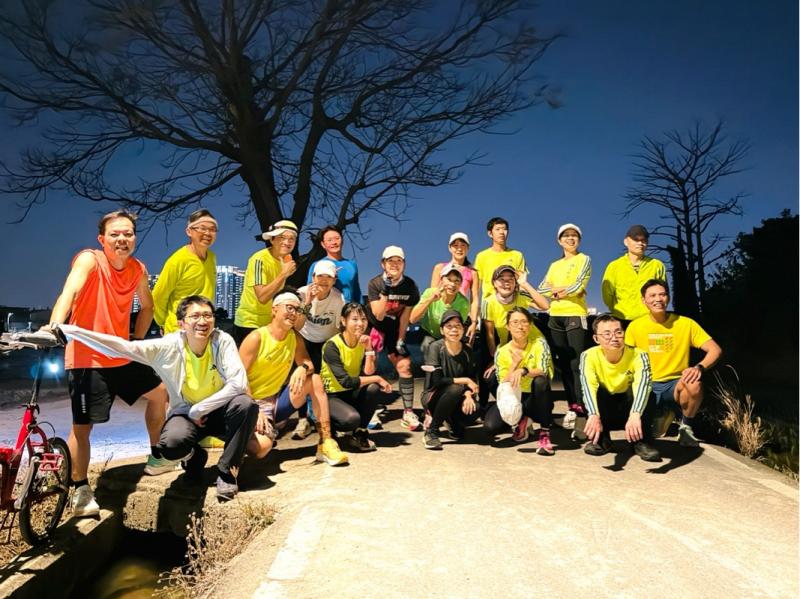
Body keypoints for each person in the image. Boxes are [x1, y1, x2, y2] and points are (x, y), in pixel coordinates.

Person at [56, 295, 259, 501]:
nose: (203, 321)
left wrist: (200, 409)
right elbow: (124, 348)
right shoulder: (169, 346)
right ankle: (194, 457)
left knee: (246, 405)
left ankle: (227, 472)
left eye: (208, 315)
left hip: (217, 412)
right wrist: (74, 332)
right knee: (170, 446)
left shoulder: (222, 340)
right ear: (181, 324)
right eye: (195, 316)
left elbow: (238, 383)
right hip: (186, 415)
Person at [44, 210, 168, 517]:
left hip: (120, 354)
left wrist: (136, 342)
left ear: (134, 238)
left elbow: (148, 306)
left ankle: (158, 456)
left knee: (160, 393)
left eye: (128, 233)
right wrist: (54, 326)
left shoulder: (138, 269)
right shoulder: (90, 259)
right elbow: (70, 290)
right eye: (115, 234)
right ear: (102, 239)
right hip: (87, 358)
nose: (122, 239)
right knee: (82, 427)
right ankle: (80, 489)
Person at [239, 291, 348, 466]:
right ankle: (239, 436)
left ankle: (326, 441)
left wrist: (302, 368)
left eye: (297, 310)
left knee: (314, 380)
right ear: (274, 310)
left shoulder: (294, 337)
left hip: (276, 401)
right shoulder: (256, 338)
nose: (294, 313)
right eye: (289, 308)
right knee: (260, 449)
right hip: (250, 402)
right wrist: (253, 410)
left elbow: (308, 364)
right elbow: (238, 378)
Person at [624, 279, 722, 446]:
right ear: (643, 300)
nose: (658, 299)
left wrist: (699, 367)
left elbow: (715, 350)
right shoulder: (635, 326)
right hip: (646, 385)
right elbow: (626, 359)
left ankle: (685, 428)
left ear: (668, 297)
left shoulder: (685, 323)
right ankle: (661, 415)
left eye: (662, 294)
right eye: (652, 296)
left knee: (694, 384)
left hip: (675, 385)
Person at [579, 314, 661, 462]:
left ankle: (641, 441)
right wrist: (593, 414)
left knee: (648, 393)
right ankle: (602, 440)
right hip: (606, 407)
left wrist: (636, 414)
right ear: (596, 339)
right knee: (587, 393)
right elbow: (588, 386)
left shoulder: (639, 355)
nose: (614, 338)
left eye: (618, 332)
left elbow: (642, 385)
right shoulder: (588, 356)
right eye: (607, 334)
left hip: (629, 407)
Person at [537, 223, 592, 432]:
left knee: (577, 363)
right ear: (559, 241)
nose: (570, 239)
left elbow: (580, 286)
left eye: (574, 235)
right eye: (566, 236)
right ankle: (572, 407)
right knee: (564, 364)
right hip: (555, 316)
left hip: (575, 315)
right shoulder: (554, 265)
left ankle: (583, 411)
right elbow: (542, 288)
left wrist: (559, 290)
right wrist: (564, 290)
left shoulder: (584, 259)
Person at [320, 303, 393, 451]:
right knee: (351, 419)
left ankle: (360, 433)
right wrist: (378, 378)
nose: (360, 323)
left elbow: (368, 372)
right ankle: (329, 427)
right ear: (343, 321)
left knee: (373, 388)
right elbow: (345, 382)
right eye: (354, 319)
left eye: (363, 319)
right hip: (332, 395)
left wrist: (369, 349)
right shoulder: (332, 346)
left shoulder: (363, 342)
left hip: (351, 392)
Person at [483, 308, 555, 455]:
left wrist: (524, 370)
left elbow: (543, 370)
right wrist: (514, 365)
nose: (520, 326)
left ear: (530, 325)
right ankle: (521, 420)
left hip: (535, 399)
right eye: (515, 322)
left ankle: (544, 432)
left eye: (524, 322)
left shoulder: (539, 344)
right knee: (491, 427)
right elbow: (503, 383)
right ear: (508, 326)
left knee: (540, 381)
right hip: (515, 396)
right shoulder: (502, 351)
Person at [365, 246, 421, 430]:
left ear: (404, 264)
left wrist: (401, 339)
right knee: (369, 365)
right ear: (383, 264)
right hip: (373, 326)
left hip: (393, 329)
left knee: (404, 365)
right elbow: (379, 315)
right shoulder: (375, 283)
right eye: (390, 261)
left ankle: (408, 412)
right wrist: (386, 289)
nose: (395, 264)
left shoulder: (410, 286)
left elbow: (405, 316)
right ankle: (370, 409)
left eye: (399, 261)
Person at [291, 260, 346, 440]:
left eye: (328, 277)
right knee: (302, 377)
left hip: (326, 341)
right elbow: (297, 326)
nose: (323, 280)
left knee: (324, 381)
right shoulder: (301, 293)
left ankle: (326, 420)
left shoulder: (338, 298)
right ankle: (302, 419)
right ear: (313, 277)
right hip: (304, 338)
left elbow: (340, 327)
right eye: (319, 275)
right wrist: (308, 302)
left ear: (334, 280)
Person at [480, 265, 549, 407]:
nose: (506, 283)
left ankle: (538, 407)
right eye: (501, 279)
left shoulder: (521, 296)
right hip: (509, 347)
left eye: (510, 279)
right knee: (492, 376)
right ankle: (511, 406)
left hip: (532, 344)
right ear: (494, 283)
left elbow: (545, 306)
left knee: (538, 377)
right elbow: (490, 333)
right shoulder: (488, 302)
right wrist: (495, 359)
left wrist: (524, 284)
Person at [152, 209, 218, 334]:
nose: (208, 233)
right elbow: (158, 297)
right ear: (189, 231)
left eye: (212, 229)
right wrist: (163, 322)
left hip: (203, 328)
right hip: (179, 330)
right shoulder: (178, 260)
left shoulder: (212, 257)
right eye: (202, 228)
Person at [421, 310, 479, 450]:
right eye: (449, 326)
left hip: (458, 394)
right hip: (433, 395)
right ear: (442, 330)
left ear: (463, 329)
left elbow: (471, 378)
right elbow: (437, 381)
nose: (454, 330)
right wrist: (465, 380)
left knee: (475, 409)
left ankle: (452, 421)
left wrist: (468, 395)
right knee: (455, 388)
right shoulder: (436, 347)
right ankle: (432, 431)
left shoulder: (467, 351)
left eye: (458, 326)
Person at [233, 220, 298, 345]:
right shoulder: (259, 259)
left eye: (291, 239)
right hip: (249, 323)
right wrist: (284, 274)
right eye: (282, 237)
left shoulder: (286, 259)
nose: (287, 242)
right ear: (272, 239)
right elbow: (262, 297)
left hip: (271, 323)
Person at [601, 225, 667, 326]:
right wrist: (617, 310)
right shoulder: (614, 266)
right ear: (626, 242)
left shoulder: (657, 265)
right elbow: (607, 294)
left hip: (650, 320)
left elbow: (663, 293)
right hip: (623, 320)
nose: (640, 243)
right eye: (636, 239)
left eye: (643, 240)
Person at [429, 232, 480, 343]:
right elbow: (432, 294)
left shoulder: (473, 273)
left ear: (468, 248)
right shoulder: (439, 268)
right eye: (455, 245)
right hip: (440, 316)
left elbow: (474, 300)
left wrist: (474, 322)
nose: (459, 249)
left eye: (463, 245)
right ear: (449, 248)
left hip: (461, 317)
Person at [410, 264, 470, 355]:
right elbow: (413, 319)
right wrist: (430, 299)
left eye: (457, 281)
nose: (452, 284)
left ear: (461, 284)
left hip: (449, 335)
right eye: (449, 279)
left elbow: (458, 328)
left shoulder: (464, 303)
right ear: (441, 280)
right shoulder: (430, 292)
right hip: (428, 333)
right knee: (428, 344)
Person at [473, 217, 527, 300]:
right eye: (497, 229)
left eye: (504, 229)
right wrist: (474, 305)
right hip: (489, 303)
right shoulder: (481, 256)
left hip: (512, 303)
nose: (501, 232)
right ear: (490, 233)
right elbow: (476, 285)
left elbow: (522, 283)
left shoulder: (517, 255)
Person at [307, 225, 362, 302]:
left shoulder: (351, 264)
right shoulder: (317, 265)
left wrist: (361, 307)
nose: (334, 242)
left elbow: (357, 292)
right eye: (329, 240)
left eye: (337, 238)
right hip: (324, 308)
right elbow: (310, 292)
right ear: (323, 244)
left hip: (347, 308)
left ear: (342, 240)